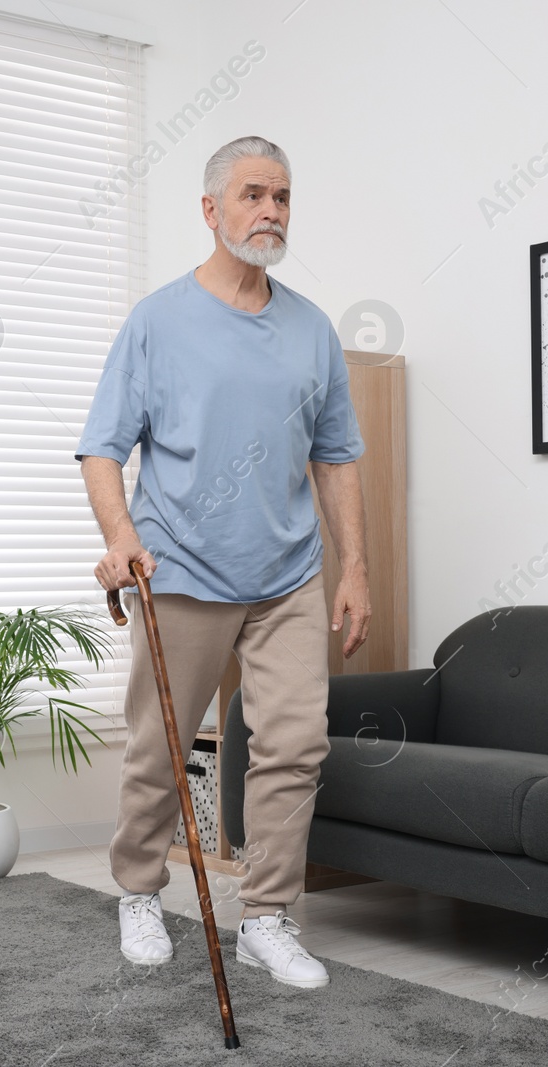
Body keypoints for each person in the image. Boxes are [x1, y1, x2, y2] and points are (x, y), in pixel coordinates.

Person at [74, 135, 370, 989]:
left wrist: (354, 570)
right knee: (160, 748)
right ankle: (137, 888)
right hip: (182, 573)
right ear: (211, 210)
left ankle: (268, 917)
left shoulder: (312, 328)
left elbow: (338, 455)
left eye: (281, 196)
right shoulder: (158, 321)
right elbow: (102, 447)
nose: (270, 211)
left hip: (287, 578)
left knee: (295, 745)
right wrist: (121, 536)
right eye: (252, 195)